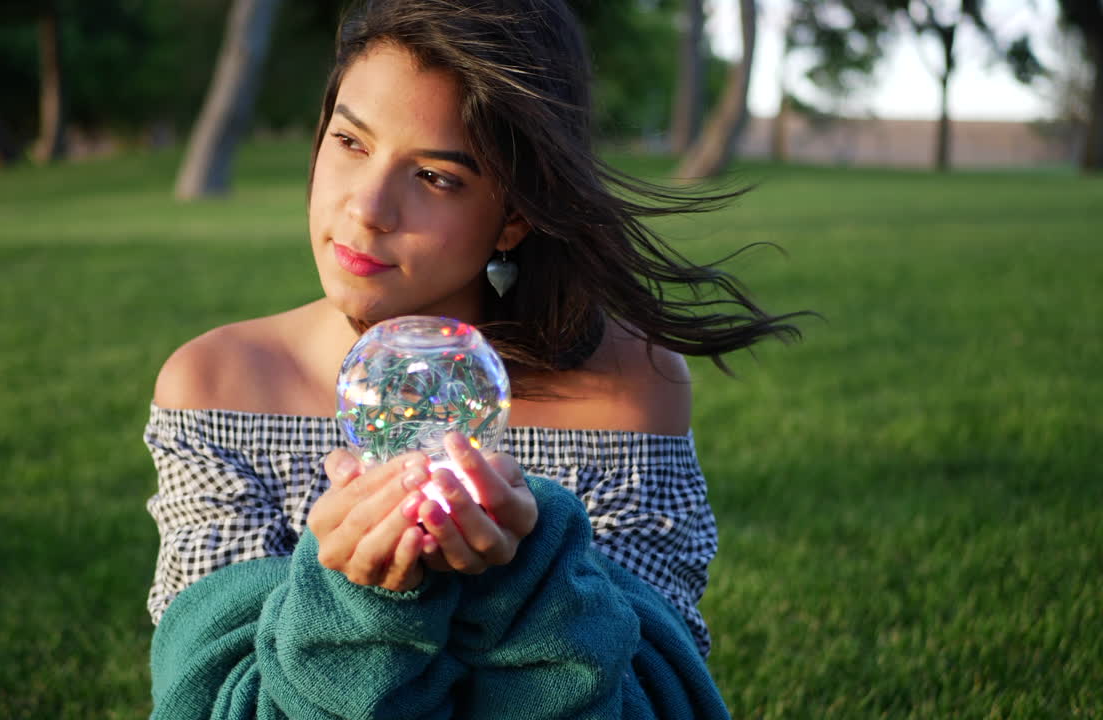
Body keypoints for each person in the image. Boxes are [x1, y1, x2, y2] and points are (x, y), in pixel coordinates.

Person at [145, 1, 802, 717]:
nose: (367, 207)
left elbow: (655, 698)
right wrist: (353, 608)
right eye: (352, 143)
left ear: (514, 216)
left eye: (435, 177)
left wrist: (529, 569)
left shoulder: (629, 388)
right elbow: (206, 697)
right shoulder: (215, 386)